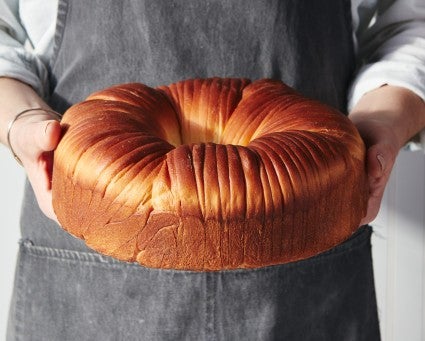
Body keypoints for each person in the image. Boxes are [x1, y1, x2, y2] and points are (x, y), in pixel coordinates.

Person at [1, 0, 424, 340]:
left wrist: (384, 121)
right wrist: (21, 122)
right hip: (88, 272)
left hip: (305, 261)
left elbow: (412, 24)